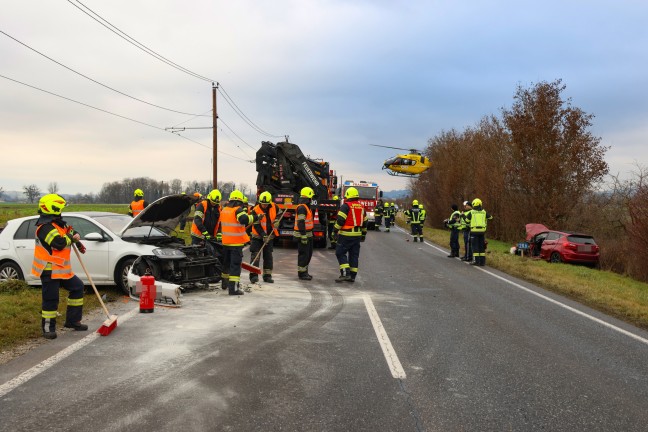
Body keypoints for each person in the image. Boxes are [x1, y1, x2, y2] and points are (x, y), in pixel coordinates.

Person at [32, 194, 88, 339]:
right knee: (51, 299)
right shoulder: (44, 227)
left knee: (78, 287)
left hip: (62, 269)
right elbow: (58, 242)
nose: (62, 211)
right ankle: (47, 328)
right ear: (53, 208)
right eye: (60, 208)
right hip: (49, 269)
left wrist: (77, 240)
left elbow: (70, 232)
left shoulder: (58, 224)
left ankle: (72, 321)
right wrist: (70, 238)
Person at [221, 190, 264, 295]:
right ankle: (234, 289)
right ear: (239, 201)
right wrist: (256, 217)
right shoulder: (237, 210)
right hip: (235, 244)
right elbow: (244, 219)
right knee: (235, 267)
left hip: (226, 243)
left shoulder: (224, 209)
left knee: (226, 265)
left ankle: (224, 283)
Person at [333, 187, 368, 283]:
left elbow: (340, 220)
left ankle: (345, 274)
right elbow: (365, 223)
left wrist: (335, 231)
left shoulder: (345, 206)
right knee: (354, 255)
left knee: (340, 253)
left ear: (348, 196)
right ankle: (352, 276)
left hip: (346, 235)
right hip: (357, 236)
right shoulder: (361, 207)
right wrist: (363, 235)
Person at [249, 191, 279, 284]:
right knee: (255, 255)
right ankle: (253, 276)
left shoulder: (274, 206)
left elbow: (280, 214)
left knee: (268, 256)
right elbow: (257, 225)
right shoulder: (255, 210)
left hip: (270, 236)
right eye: (263, 204)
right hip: (257, 236)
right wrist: (263, 235)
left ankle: (267, 276)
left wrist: (277, 221)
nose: (264, 206)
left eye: (266, 204)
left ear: (269, 202)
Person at [190, 189, 222, 256]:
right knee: (196, 256)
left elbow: (220, 222)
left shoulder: (218, 208)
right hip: (198, 236)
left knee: (209, 256)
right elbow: (197, 219)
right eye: (213, 202)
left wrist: (219, 233)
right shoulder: (202, 205)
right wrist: (205, 232)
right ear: (209, 198)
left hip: (210, 236)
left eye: (216, 203)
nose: (214, 204)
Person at [464, 198, 493, 266]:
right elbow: (491, 218)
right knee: (481, 247)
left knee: (475, 247)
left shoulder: (472, 212)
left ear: (474, 204)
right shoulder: (484, 212)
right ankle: (482, 262)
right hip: (482, 232)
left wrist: (463, 216)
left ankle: (476, 261)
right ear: (480, 204)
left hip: (474, 232)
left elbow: (467, 221)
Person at [295, 186, 315, 280]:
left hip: (307, 234)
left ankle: (305, 272)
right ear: (309, 197)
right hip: (303, 235)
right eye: (311, 197)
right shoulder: (302, 208)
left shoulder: (306, 207)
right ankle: (302, 274)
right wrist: (303, 235)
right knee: (304, 254)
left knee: (308, 254)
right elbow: (301, 222)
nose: (312, 199)